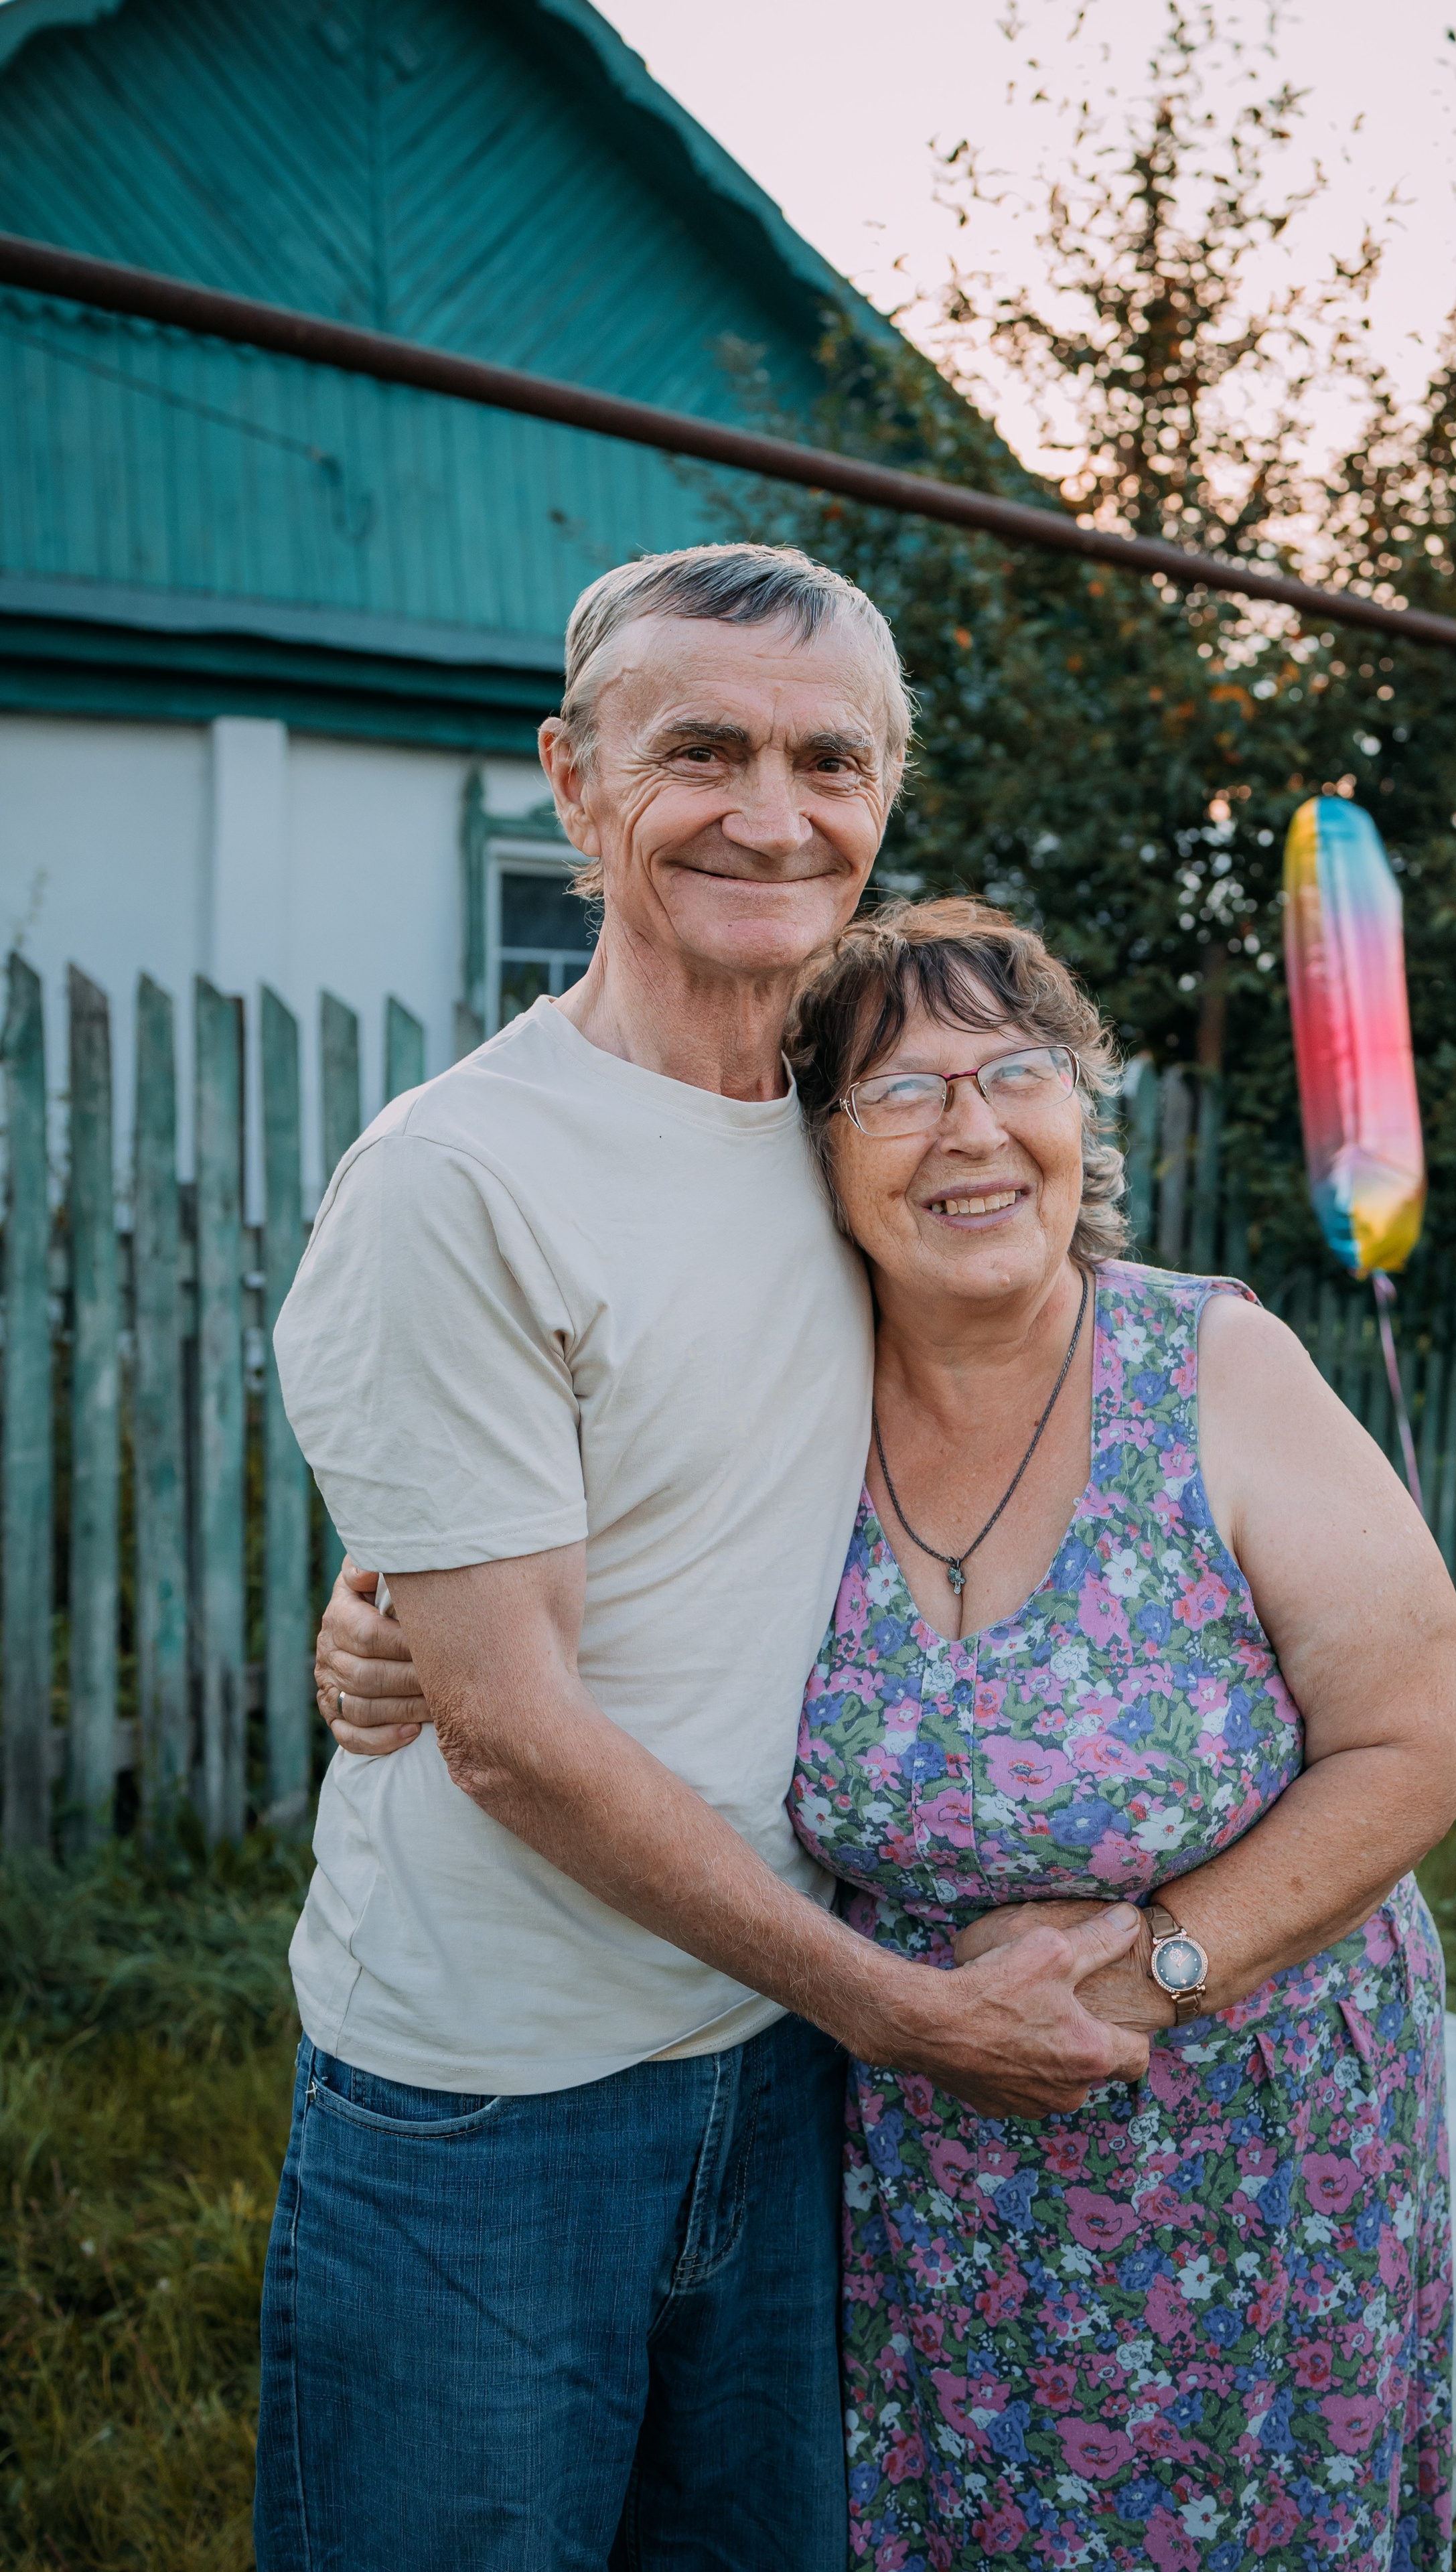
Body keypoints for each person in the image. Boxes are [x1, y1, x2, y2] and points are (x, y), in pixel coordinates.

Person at [322, 894, 1456, 2570]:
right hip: (922, 2171)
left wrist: (1153, 1961)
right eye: (898, 1092)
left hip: (1248, 2135)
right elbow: (509, 1518)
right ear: (821, 1154)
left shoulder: (1213, 1365)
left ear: (1085, 1110)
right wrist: (380, 1616)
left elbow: (1415, 1747)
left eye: (1016, 1072)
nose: (971, 1130)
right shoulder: (783, 1381)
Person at [257, 547, 1153, 2572]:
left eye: (829, 757)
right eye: (703, 752)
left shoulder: (857, 1130)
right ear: (574, 786)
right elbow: (509, 1734)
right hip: (493, 2102)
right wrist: (906, 2016)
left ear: (887, 791)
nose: (773, 810)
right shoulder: (459, 1180)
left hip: (766, 2070)